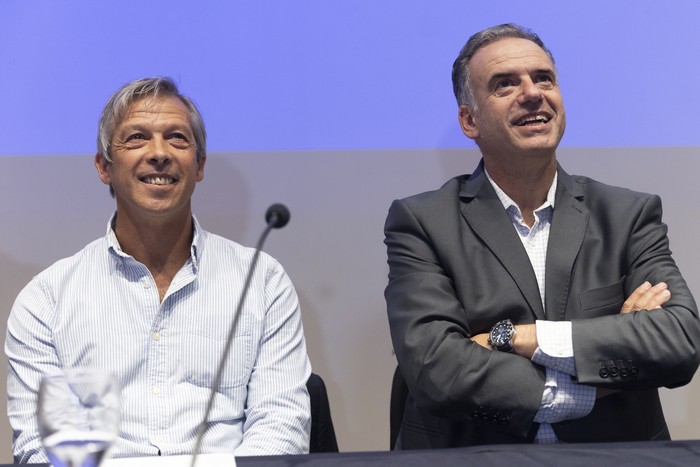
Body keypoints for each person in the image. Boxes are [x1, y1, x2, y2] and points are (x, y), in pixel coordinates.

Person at [384, 24, 700, 448]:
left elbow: (677, 340)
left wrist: (514, 338)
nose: (532, 93)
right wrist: (603, 363)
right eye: (505, 84)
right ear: (469, 120)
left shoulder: (627, 214)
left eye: (543, 78)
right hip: (477, 458)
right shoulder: (422, 221)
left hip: (613, 456)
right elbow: (439, 372)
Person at [6, 77, 311, 462]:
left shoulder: (262, 281)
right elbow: (42, 450)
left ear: (199, 166)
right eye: (136, 138)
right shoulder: (46, 300)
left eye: (177, 139)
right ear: (104, 167)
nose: (159, 153)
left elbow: (282, 426)